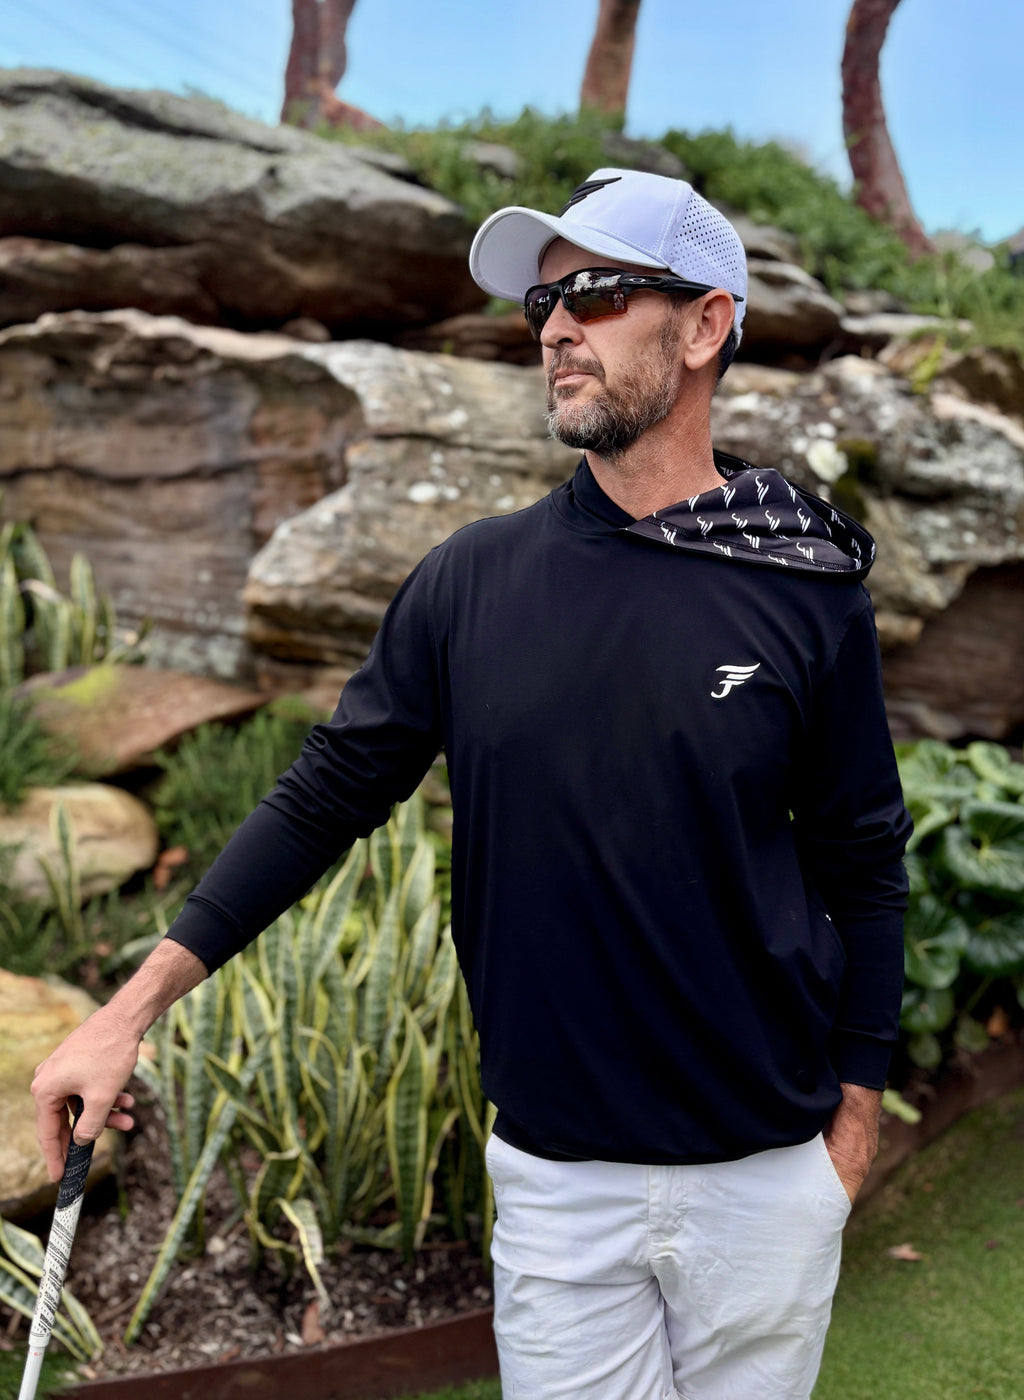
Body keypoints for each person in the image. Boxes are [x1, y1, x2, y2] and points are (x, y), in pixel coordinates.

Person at [32, 168, 912, 1399]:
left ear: (707, 325)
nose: (555, 326)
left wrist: (853, 1120)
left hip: (765, 1171)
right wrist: (124, 1014)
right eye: (541, 304)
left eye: (596, 292)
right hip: (557, 1182)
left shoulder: (805, 588)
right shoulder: (468, 583)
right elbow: (325, 796)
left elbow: (864, 857)